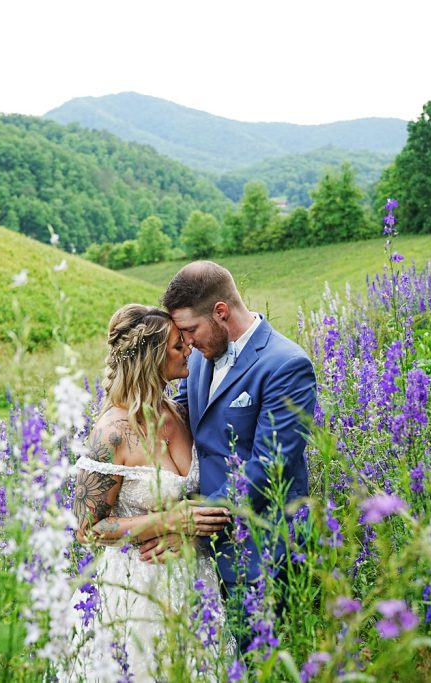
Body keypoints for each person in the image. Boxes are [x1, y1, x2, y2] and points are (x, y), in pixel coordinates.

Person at [65, 304, 234, 682]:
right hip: (137, 589)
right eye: (177, 346)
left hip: (195, 579)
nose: (187, 349)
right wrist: (170, 520)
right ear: (151, 358)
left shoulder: (178, 411)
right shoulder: (111, 434)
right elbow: (88, 529)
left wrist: (187, 525)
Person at [145, 261, 317, 631]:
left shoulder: (286, 365)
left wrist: (192, 522)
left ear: (220, 312)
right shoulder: (205, 358)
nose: (186, 343)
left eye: (190, 330)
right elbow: (185, 415)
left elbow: (269, 466)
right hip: (204, 555)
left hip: (261, 552)